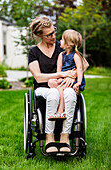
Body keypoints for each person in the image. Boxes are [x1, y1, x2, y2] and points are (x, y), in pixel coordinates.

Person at [28, 16, 78, 153]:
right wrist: (62, 74)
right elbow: (38, 77)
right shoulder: (34, 52)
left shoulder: (62, 46)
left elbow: (81, 62)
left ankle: (65, 137)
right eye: (49, 34)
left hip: (62, 86)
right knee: (53, 93)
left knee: (70, 93)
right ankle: (49, 138)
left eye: (54, 31)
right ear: (40, 35)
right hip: (43, 88)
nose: (53, 36)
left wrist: (74, 73)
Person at [48, 29, 85, 120]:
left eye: (62, 39)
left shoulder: (75, 56)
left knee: (61, 88)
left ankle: (60, 112)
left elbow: (79, 69)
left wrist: (78, 82)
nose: (60, 41)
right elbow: (59, 69)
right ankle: (58, 99)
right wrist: (59, 78)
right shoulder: (61, 55)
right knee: (51, 82)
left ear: (68, 45)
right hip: (64, 77)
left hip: (73, 80)